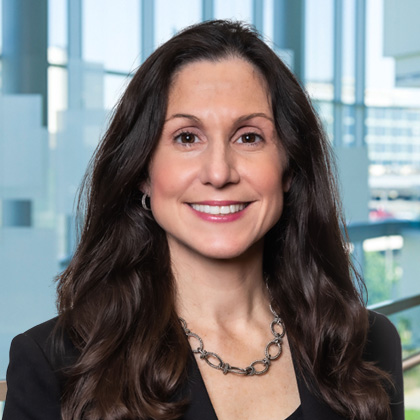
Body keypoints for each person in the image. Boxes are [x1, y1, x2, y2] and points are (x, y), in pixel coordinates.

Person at [4, 20, 403, 420]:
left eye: (249, 137)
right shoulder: (56, 366)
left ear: (288, 170)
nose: (218, 172)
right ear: (143, 171)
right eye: (187, 137)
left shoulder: (366, 345)